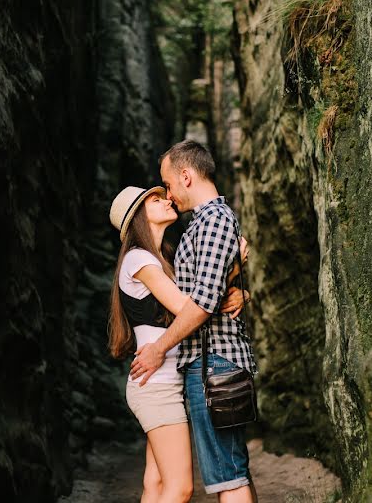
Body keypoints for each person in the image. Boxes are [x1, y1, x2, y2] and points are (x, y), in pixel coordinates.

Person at [130, 140, 259, 502]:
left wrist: (159, 349)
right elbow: (210, 290)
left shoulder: (215, 220)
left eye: (167, 185)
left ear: (185, 176)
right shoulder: (201, 224)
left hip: (214, 364)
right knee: (227, 472)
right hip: (206, 363)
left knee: (227, 476)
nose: (169, 195)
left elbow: (202, 302)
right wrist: (235, 281)